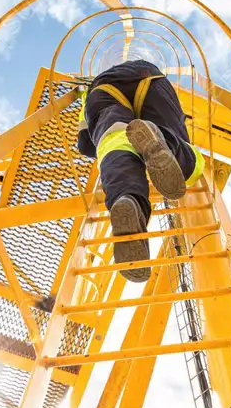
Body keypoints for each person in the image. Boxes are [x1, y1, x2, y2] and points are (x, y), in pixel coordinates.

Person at [75, 59, 205, 282]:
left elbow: (85, 143)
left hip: (102, 89)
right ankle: (160, 137)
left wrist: (99, 142)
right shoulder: (136, 66)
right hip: (150, 77)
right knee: (189, 166)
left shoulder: (86, 92)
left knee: (113, 143)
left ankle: (126, 198)